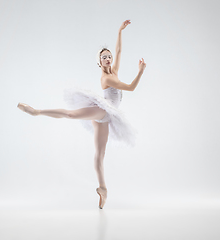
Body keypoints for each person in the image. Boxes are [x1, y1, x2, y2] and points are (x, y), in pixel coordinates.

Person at [17, 20, 146, 209]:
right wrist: (140, 72)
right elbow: (131, 88)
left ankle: (103, 188)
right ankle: (37, 112)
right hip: (102, 109)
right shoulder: (108, 77)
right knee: (71, 114)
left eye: (109, 56)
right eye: (104, 58)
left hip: (106, 117)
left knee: (99, 155)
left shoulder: (114, 71)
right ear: (99, 63)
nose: (109, 58)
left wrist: (119, 31)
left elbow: (118, 51)